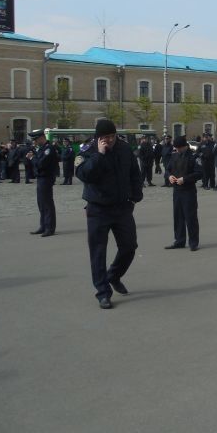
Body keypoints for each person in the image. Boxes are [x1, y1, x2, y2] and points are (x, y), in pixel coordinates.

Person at [75, 119, 143, 309]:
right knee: (98, 252)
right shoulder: (89, 150)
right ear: (98, 137)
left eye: (112, 136)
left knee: (129, 246)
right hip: (98, 209)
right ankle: (103, 292)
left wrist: (135, 197)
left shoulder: (124, 148)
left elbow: (134, 173)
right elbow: (82, 174)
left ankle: (113, 275)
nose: (110, 140)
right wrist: (100, 155)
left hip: (122, 207)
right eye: (106, 137)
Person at [165, 135, 203, 251]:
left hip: (188, 191)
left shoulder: (193, 157)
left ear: (184, 147)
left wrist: (185, 179)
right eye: (175, 148)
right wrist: (169, 176)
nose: (177, 150)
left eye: (178, 148)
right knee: (178, 217)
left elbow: (199, 173)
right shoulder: (174, 156)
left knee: (190, 217)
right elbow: (168, 170)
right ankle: (179, 240)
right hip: (176, 191)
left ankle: (193, 242)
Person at [27, 129, 59, 236]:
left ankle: (50, 228)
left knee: (47, 203)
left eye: (36, 140)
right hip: (41, 178)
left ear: (41, 138)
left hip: (46, 178)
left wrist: (32, 158)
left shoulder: (48, 149)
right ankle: (43, 226)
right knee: (41, 203)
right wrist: (34, 158)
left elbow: (41, 164)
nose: (34, 142)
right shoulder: (42, 149)